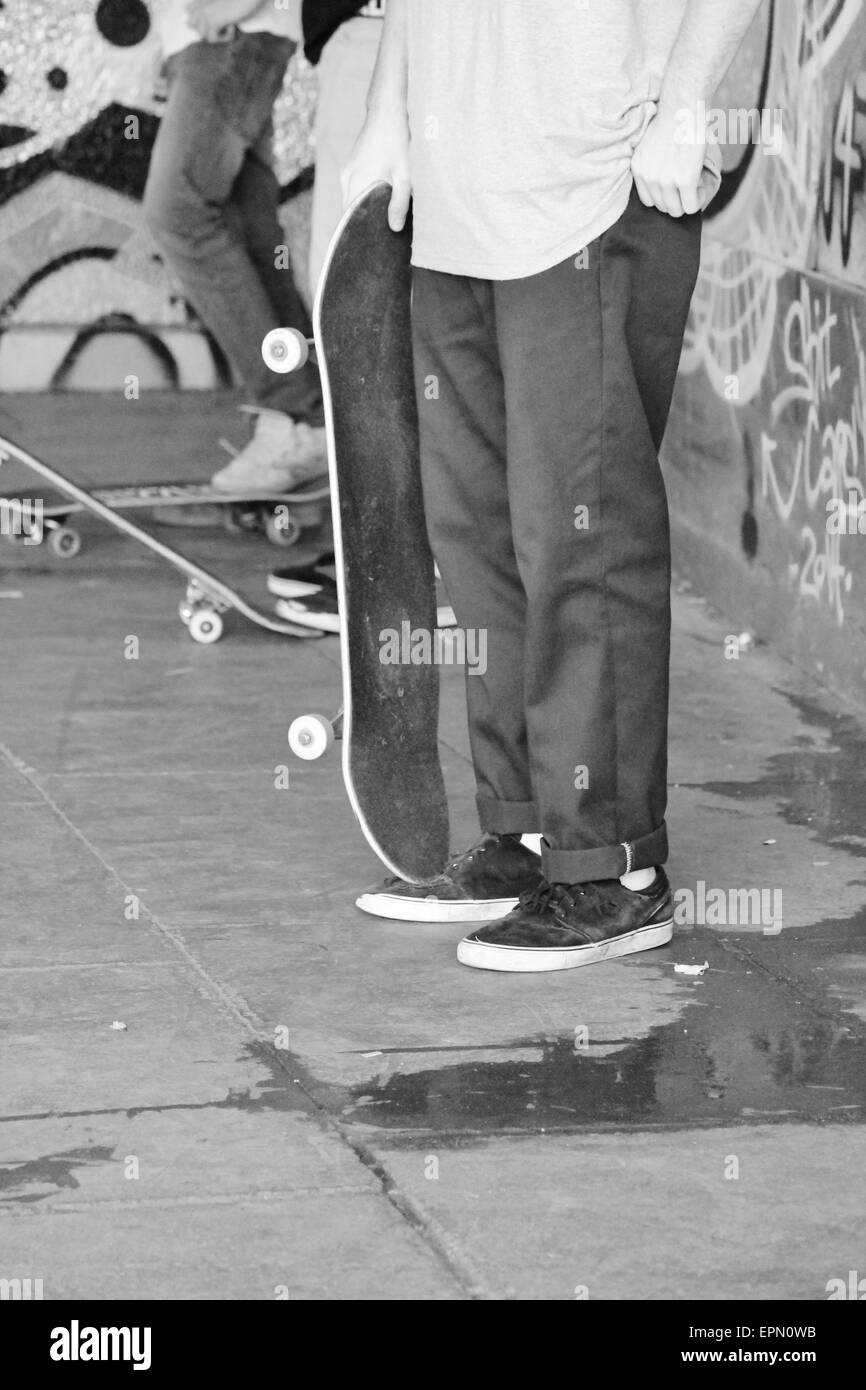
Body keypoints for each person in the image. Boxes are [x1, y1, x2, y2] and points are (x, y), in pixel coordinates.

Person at [343, 0, 764, 972]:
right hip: (456, 198)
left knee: (581, 538)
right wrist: (384, 118)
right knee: (478, 539)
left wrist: (687, 101)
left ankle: (611, 865)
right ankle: (531, 832)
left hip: (592, 182)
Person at [143, 0, 326, 493]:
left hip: (232, 31)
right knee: (245, 227)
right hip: (218, 35)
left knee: (178, 211)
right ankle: (316, 415)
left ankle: (296, 413)